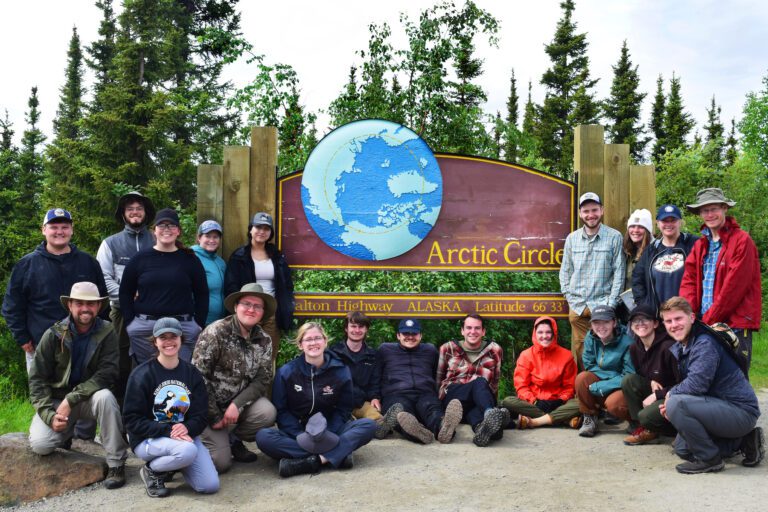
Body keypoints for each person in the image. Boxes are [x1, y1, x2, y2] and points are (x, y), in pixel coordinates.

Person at [27, 282, 127, 490]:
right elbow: (37, 379)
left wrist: (71, 400)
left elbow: (107, 374)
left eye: (91, 304)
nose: (85, 308)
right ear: (70, 305)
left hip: (89, 399)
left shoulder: (108, 331)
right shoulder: (53, 334)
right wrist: (48, 415)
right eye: (80, 303)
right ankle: (64, 435)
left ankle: (116, 464)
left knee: (107, 397)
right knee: (41, 445)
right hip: (57, 401)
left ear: (99, 307)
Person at [255, 322, 376, 477]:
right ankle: (336, 455)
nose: (313, 343)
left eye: (317, 338)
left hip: (331, 430)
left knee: (368, 425)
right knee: (263, 437)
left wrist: (329, 434)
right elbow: (281, 410)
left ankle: (313, 461)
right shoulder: (286, 372)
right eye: (308, 339)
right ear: (300, 345)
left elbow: (344, 408)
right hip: (299, 433)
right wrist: (298, 434)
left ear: (325, 342)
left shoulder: (341, 371)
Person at [659, 297, 763, 474]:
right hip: (718, 407)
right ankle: (744, 441)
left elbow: (696, 385)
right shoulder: (683, 345)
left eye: (678, 319)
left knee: (676, 403)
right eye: (668, 321)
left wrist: (671, 398)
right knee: (682, 449)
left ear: (692, 318)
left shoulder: (704, 343)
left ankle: (710, 460)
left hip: (741, 411)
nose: (674, 324)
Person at [123, 317, 219, 497]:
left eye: (173, 336)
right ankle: (152, 469)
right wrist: (169, 431)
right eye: (163, 337)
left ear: (181, 339)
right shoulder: (141, 374)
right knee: (187, 451)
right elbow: (131, 419)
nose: (169, 342)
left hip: (183, 437)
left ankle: (171, 465)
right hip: (147, 438)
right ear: (155, 342)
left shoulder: (191, 373)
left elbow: (201, 415)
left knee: (209, 486)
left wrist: (187, 427)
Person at [3, 208, 108, 372]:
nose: (60, 231)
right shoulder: (26, 265)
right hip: (41, 344)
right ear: (44, 230)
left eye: (65, 227)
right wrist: (22, 338)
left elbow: (102, 302)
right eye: (54, 227)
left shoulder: (88, 262)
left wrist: (99, 335)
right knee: (42, 395)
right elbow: (12, 306)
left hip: (84, 343)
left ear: (72, 230)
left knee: (82, 393)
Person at [192, 283, 277, 473]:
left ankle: (233, 439)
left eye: (257, 306)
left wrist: (236, 405)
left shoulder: (264, 340)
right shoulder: (215, 332)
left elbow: (263, 379)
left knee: (267, 412)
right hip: (208, 407)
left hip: (237, 406)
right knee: (220, 464)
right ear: (236, 306)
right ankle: (201, 440)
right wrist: (214, 416)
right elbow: (198, 377)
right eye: (246, 303)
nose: (251, 309)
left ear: (263, 312)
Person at [679, 187, 761, 369]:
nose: (709, 214)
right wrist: (689, 315)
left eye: (714, 208)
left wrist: (706, 322)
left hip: (734, 325)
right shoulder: (700, 245)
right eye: (705, 210)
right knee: (706, 379)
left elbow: (734, 289)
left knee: (735, 381)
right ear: (700, 213)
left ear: (724, 208)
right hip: (704, 323)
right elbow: (689, 283)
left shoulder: (741, 241)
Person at [119, 208, 208, 364]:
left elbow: (202, 293)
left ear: (178, 231)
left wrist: (198, 324)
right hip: (146, 328)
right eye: (162, 225)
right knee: (148, 375)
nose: (167, 229)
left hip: (182, 327)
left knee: (179, 376)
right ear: (154, 231)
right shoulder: (140, 259)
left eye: (171, 225)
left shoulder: (190, 259)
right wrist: (130, 323)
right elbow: (126, 292)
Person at [96, 191, 156, 401]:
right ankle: (120, 415)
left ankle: (149, 409)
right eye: (130, 209)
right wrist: (129, 298)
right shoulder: (110, 243)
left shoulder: (158, 240)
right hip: (121, 313)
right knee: (119, 362)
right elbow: (104, 278)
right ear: (123, 214)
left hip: (153, 314)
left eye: (139, 208)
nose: (135, 212)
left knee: (153, 360)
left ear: (146, 213)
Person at [559, 192, 625, 371]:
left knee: (606, 347)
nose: (591, 215)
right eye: (586, 211)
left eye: (594, 210)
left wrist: (611, 303)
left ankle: (604, 388)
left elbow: (619, 272)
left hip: (603, 304)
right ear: (580, 213)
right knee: (581, 349)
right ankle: (585, 387)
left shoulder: (614, 237)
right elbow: (565, 270)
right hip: (578, 305)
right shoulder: (572, 239)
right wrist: (569, 296)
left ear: (601, 210)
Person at [224, 212, 295, 364]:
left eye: (266, 228)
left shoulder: (277, 256)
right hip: (247, 313)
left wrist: (286, 309)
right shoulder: (239, 256)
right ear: (250, 230)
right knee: (242, 358)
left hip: (270, 314)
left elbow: (286, 285)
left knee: (267, 360)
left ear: (270, 233)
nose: (262, 231)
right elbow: (231, 286)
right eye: (258, 227)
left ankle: (265, 389)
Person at [378, 319, 463, 445]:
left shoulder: (430, 350)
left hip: (425, 393)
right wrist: (374, 396)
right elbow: (375, 375)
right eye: (406, 334)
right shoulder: (385, 350)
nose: (410, 337)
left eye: (414, 334)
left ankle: (443, 428)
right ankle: (418, 432)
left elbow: (439, 373)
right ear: (398, 335)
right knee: (401, 413)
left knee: (433, 410)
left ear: (420, 335)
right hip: (396, 394)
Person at [436, 314, 508, 447]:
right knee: (479, 382)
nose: (473, 332)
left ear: (483, 331)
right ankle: (488, 413)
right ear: (462, 330)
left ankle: (482, 429)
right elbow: (439, 379)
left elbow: (494, 383)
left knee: (476, 408)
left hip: (479, 400)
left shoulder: (495, 350)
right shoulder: (447, 348)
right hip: (454, 400)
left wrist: (490, 400)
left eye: (477, 328)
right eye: (468, 328)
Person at [502, 316, 580, 429]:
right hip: (534, 403)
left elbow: (570, 386)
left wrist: (560, 400)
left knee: (580, 404)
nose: (544, 336)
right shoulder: (526, 355)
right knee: (507, 401)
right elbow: (521, 386)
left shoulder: (566, 355)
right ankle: (564, 419)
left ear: (554, 333)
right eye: (540, 332)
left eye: (548, 332)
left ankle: (535, 422)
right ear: (535, 333)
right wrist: (535, 401)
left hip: (558, 403)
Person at [619, 304, 679, 446]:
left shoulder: (668, 347)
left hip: (673, 395)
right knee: (629, 380)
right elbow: (642, 374)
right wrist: (652, 380)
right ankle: (645, 428)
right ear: (631, 326)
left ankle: (678, 430)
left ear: (656, 323)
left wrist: (658, 395)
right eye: (635, 321)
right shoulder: (634, 347)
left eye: (645, 319)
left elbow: (684, 382)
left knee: (645, 415)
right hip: (655, 390)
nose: (640, 324)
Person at [574, 305, 635, 438]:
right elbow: (589, 365)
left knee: (613, 404)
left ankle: (635, 421)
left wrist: (604, 385)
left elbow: (629, 375)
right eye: (596, 322)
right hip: (605, 380)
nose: (601, 326)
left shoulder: (628, 342)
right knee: (582, 378)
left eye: (606, 322)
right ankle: (590, 418)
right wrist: (606, 380)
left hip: (621, 385)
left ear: (614, 322)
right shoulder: (590, 338)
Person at [328, 312, 387, 437]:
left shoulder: (373, 355)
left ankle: (379, 427)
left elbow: (375, 381)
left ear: (366, 329)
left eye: (361, 326)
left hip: (362, 402)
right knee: (342, 419)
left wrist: (375, 397)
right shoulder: (333, 353)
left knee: (375, 416)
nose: (357, 330)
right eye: (353, 326)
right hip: (338, 402)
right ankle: (355, 424)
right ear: (346, 328)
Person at [632, 204, 698, 315]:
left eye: (673, 220)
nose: (669, 224)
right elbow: (637, 279)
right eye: (664, 221)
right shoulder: (651, 250)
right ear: (657, 223)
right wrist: (645, 306)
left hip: (687, 314)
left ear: (680, 222)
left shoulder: (693, 244)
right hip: (658, 315)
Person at [192, 220, 227, 326]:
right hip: (198, 323)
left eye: (215, 237)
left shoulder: (220, 262)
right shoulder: (191, 257)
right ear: (199, 238)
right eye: (207, 236)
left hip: (219, 323)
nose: (212, 240)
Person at [622, 208, 653, 293]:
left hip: (646, 303)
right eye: (632, 226)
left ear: (648, 230)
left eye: (641, 227)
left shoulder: (655, 251)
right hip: (625, 303)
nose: (635, 230)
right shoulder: (626, 251)